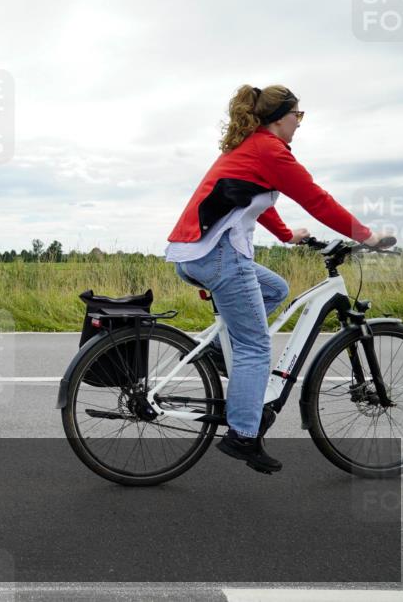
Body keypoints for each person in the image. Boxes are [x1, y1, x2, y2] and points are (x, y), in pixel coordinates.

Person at [165, 84, 389, 474]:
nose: (299, 124)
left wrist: (288, 236)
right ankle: (243, 436)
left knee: (276, 289)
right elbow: (316, 200)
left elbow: (254, 202)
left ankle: (220, 350)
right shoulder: (269, 150)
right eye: (297, 116)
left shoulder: (252, 149)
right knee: (254, 348)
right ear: (280, 117)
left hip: (197, 253)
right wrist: (366, 235)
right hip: (219, 256)